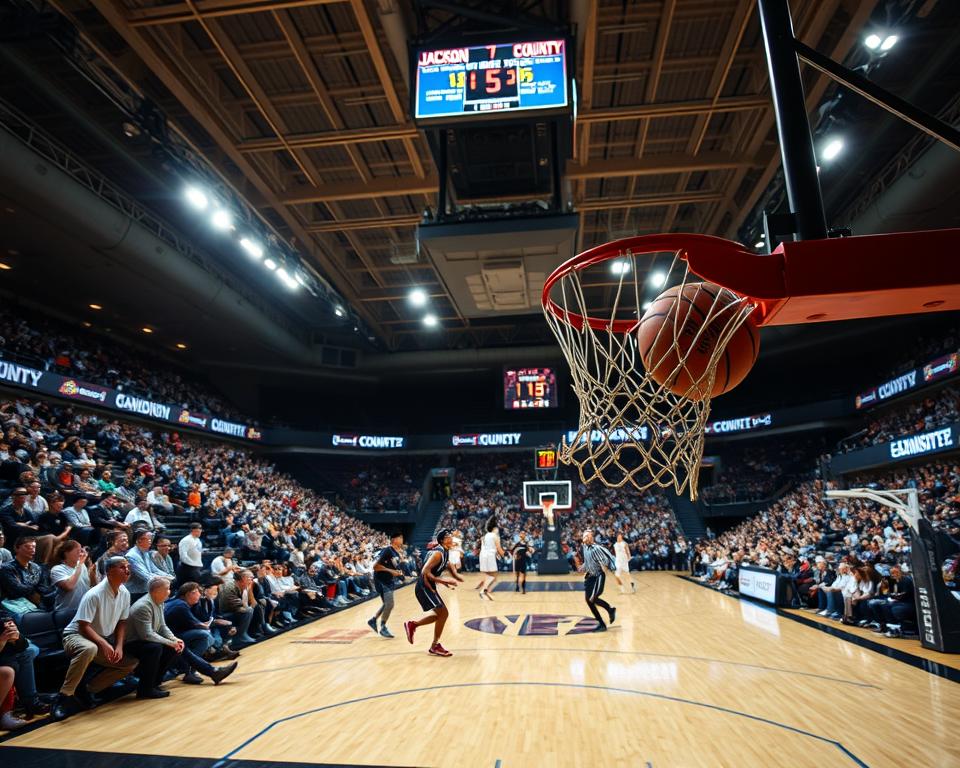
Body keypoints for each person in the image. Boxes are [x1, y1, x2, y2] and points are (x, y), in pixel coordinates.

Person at [52, 557, 139, 721]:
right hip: (76, 635)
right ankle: (63, 697)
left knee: (129, 663)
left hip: (98, 639)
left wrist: (119, 646)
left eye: (128, 567)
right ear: (109, 571)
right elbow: (84, 626)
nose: (127, 570)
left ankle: (86, 691)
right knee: (89, 648)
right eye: (122, 567)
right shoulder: (94, 594)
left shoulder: (125, 593)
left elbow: (122, 622)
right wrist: (104, 643)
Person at [404, 529, 461, 657]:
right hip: (424, 586)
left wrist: (451, 579)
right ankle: (433, 644)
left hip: (428, 586)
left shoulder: (445, 552)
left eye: (450, 535)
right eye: (447, 536)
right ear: (442, 540)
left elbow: (441, 568)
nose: (450, 537)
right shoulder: (438, 553)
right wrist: (443, 580)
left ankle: (414, 626)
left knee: (442, 614)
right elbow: (424, 571)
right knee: (443, 613)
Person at [124, 577, 183, 699]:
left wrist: (174, 639)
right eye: (167, 589)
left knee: (172, 648)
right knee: (154, 648)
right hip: (130, 643)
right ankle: (144, 689)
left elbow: (162, 626)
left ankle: (154, 684)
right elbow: (146, 635)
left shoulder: (159, 602)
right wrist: (170, 642)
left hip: (143, 640)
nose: (169, 592)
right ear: (156, 590)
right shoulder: (143, 606)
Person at [578, 530, 617, 632]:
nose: (585, 537)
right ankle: (603, 620)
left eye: (587, 535)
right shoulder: (584, 547)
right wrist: (583, 567)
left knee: (592, 598)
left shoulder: (597, 549)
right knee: (589, 600)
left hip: (598, 576)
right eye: (584, 535)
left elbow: (604, 563)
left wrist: (607, 571)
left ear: (591, 538)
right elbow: (587, 562)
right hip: (590, 577)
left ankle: (609, 610)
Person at [368, 532, 404, 638]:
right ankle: (383, 627)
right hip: (381, 580)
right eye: (400, 537)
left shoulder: (396, 553)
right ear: (394, 539)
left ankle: (373, 620)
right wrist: (391, 571)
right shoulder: (387, 550)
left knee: (387, 604)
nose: (402, 539)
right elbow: (375, 566)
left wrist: (399, 574)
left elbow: (394, 568)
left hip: (389, 581)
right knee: (390, 604)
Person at [51, 539, 98, 614]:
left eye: (81, 551)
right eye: (78, 551)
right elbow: (69, 586)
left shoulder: (81, 565)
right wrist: (79, 565)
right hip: (65, 612)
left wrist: (93, 574)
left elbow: (91, 585)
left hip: (83, 610)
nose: (81, 554)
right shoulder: (57, 569)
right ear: (66, 553)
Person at [475, 516, 504, 601]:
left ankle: (486, 591)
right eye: (497, 528)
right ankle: (483, 591)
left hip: (483, 555)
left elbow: (484, 546)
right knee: (494, 576)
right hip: (489, 556)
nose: (498, 530)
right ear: (494, 528)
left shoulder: (484, 536)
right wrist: (504, 555)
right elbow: (499, 549)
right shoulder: (495, 536)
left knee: (488, 575)